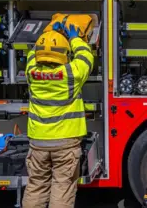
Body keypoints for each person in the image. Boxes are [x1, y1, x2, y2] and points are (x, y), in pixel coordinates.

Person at [22, 17, 95, 208]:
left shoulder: (31, 73)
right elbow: (86, 57)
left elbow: (32, 54)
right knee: (62, 187)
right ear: (64, 53)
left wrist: (47, 34)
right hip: (66, 142)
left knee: (36, 186)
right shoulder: (72, 74)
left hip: (38, 142)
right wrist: (74, 38)